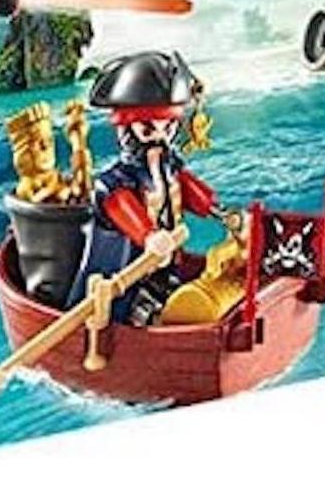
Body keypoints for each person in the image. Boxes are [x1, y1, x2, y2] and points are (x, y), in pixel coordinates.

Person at [67, 50, 220, 324]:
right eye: (148, 130)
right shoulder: (115, 182)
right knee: (136, 312)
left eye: (168, 128)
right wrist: (148, 236)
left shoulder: (169, 167)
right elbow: (121, 206)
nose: (159, 137)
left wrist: (216, 209)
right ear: (127, 130)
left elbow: (186, 188)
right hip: (126, 277)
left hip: (166, 267)